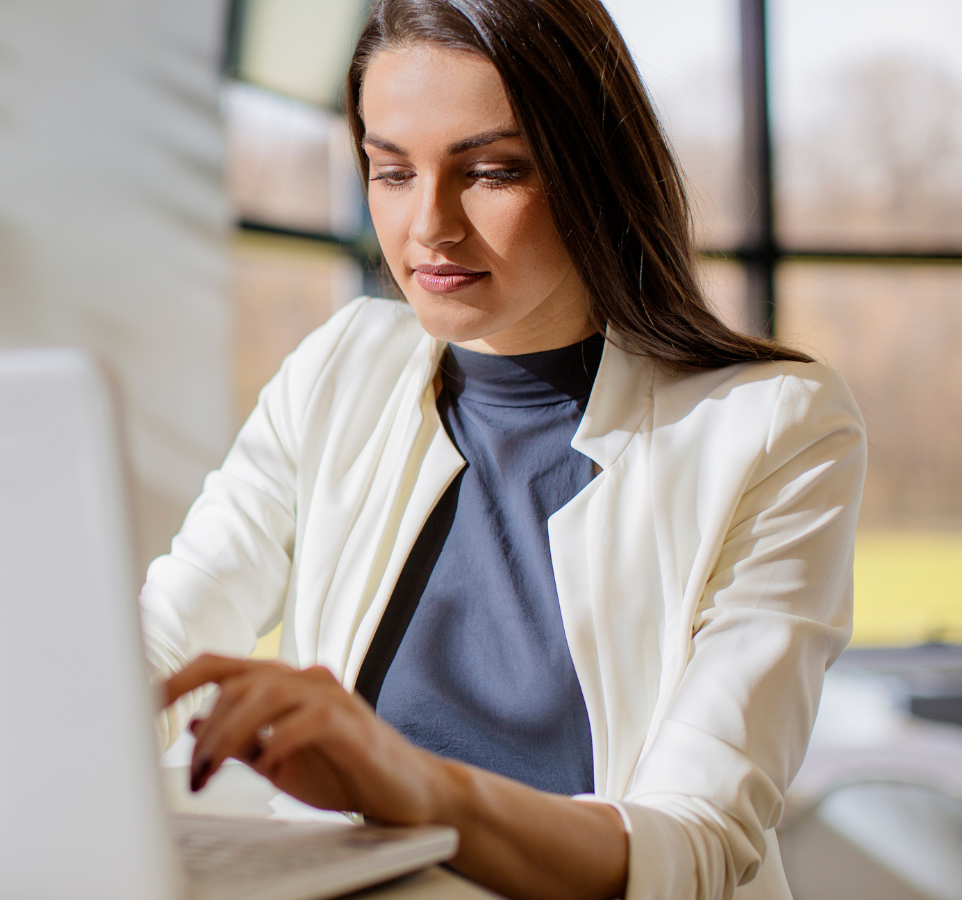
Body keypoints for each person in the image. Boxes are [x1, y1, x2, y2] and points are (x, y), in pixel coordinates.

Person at [141, 2, 865, 900]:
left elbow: (697, 844)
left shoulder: (775, 427)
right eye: (391, 171)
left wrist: (407, 783)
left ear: (590, 169)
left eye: (490, 171)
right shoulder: (339, 368)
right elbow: (168, 634)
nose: (428, 225)